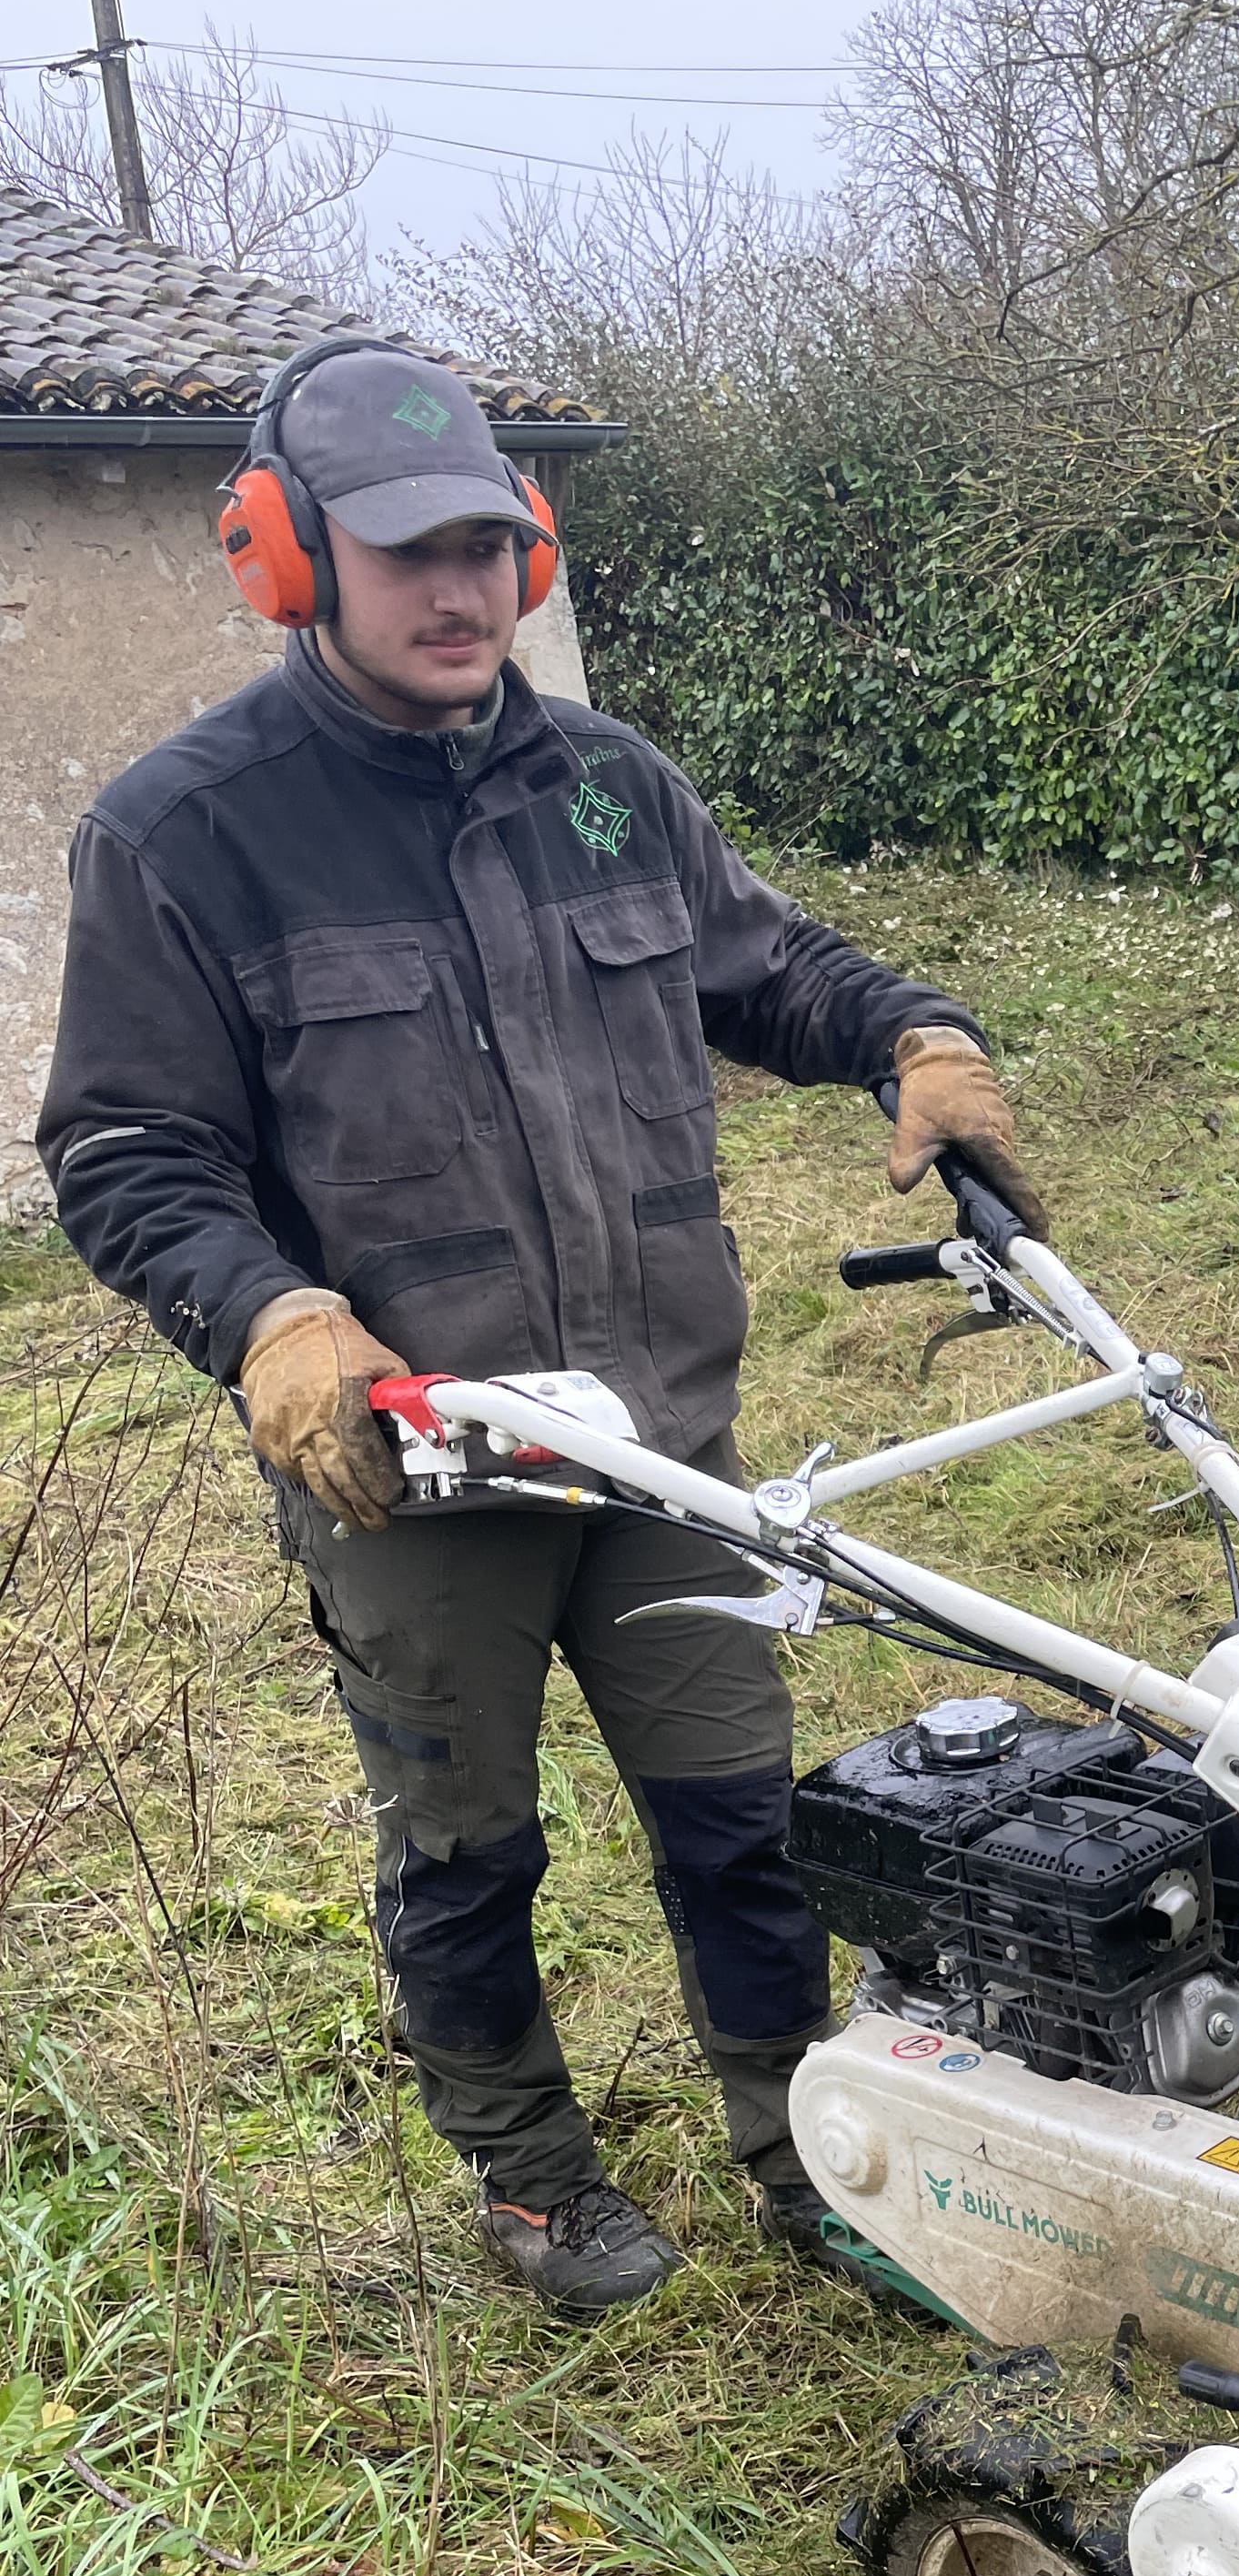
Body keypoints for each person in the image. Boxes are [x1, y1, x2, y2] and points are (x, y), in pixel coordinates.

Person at [36, 337, 1047, 2319]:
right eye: (409, 552)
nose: (460, 591)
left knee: (744, 1819)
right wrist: (272, 1317)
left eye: (493, 547)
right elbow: (126, 1143)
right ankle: (528, 2176)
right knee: (467, 1851)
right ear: (287, 559)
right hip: (415, 1461)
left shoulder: (609, 789)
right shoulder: (188, 832)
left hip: (659, 1432)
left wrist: (916, 1039)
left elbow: (773, 971)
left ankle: (800, 2144)